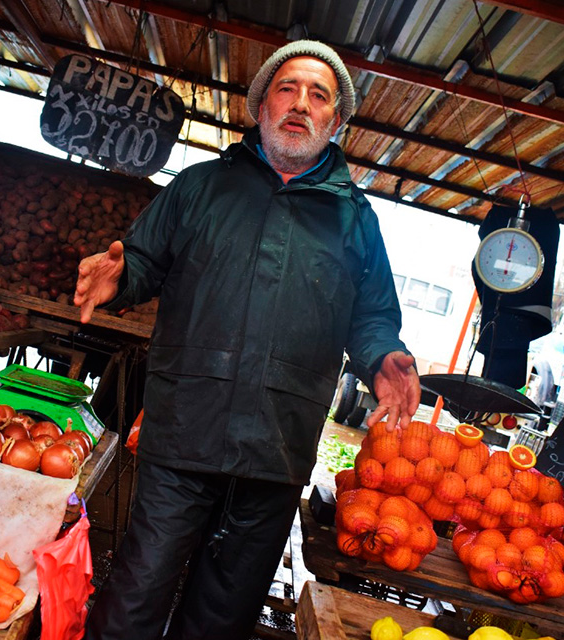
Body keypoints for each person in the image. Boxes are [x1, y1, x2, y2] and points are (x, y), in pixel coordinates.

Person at [74, 39, 421, 640]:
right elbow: (145, 260)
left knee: (220, 617)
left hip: (276, 450)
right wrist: (121, 275)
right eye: (287, 89)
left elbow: (371, 316)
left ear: (334, 122)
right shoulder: (200, 187)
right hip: (184, 431)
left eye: (318, 96)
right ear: (261, 106)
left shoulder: (355, 220)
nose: (300, 104)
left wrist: (383, 354)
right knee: (134, 596)